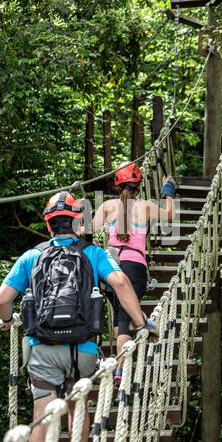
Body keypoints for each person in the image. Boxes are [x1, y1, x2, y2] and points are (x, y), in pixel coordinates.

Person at [0, 191, 151, 442]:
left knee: (42, 416)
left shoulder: (32, 256)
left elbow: (2, 299)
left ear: (48, 224)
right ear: (79, 223)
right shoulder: (94, 253)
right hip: (84, 348)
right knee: (77, 410)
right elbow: (122, 284)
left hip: (41, 347)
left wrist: (8, 320)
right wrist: (140, 322)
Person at [93, 162, 176, 384]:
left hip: (109, 267)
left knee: (121, 316)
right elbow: (169, 215)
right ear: (139, 185)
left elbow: (88, 230)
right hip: (134, 267)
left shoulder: (108, 206)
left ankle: (118, 362)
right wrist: (168, 191)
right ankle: (121, 369)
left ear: (117, 184)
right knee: (125, 316)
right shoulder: (146, 206)